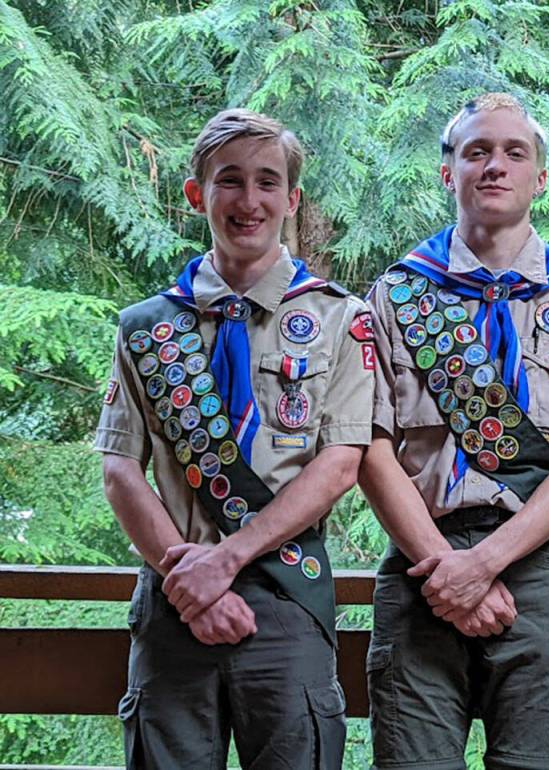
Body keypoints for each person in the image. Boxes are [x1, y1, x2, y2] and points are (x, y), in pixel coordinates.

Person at [95, 108, 373, 769]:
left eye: (267, 182)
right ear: (197, 194)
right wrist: (189, 577)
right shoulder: (147, 327)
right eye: (230, 181)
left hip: (286, 599)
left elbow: (339, 464)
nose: (249, 201)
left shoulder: (340, 319)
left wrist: (228, 561)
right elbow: (120, 470)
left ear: (291, 199)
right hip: (175, 595)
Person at [359, 92, 549, 770]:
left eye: (514, 153)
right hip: (423, 563)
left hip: (539, 569)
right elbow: (370, 447)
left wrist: (485, 563)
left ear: (541, 177)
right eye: (476, 152)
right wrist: (447, 567)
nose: (494, 166)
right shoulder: (394, 297)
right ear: (449, 174)